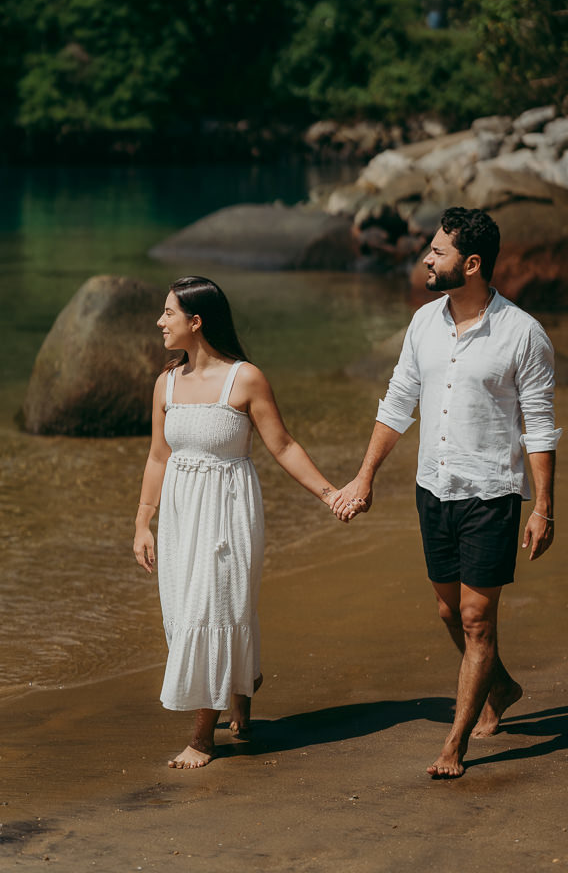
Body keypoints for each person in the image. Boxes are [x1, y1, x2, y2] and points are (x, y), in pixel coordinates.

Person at [331, 207, 561, 778]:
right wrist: (364, 477)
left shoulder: (523, 333)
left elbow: (540, 424)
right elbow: (397, 402)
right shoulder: (423, 323)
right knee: (448, 609)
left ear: (472, 263)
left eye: (437, 252)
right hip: (433, 487)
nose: (426, 260)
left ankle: (456, 744)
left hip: (491, 493)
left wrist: (544, 509)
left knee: (479, 619)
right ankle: (502, 685)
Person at [134, 275, 340, 769]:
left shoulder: (245, 378)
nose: (161, 322)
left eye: (169, 313)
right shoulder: (166, 382)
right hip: (182, 512)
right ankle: (241, 689)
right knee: (184, 612)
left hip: (228, 510)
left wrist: (330, 494)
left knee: (213, 605)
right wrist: (143, 522)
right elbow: (158, 456)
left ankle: (203, 737)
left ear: (196, 321)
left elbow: (284, 446)